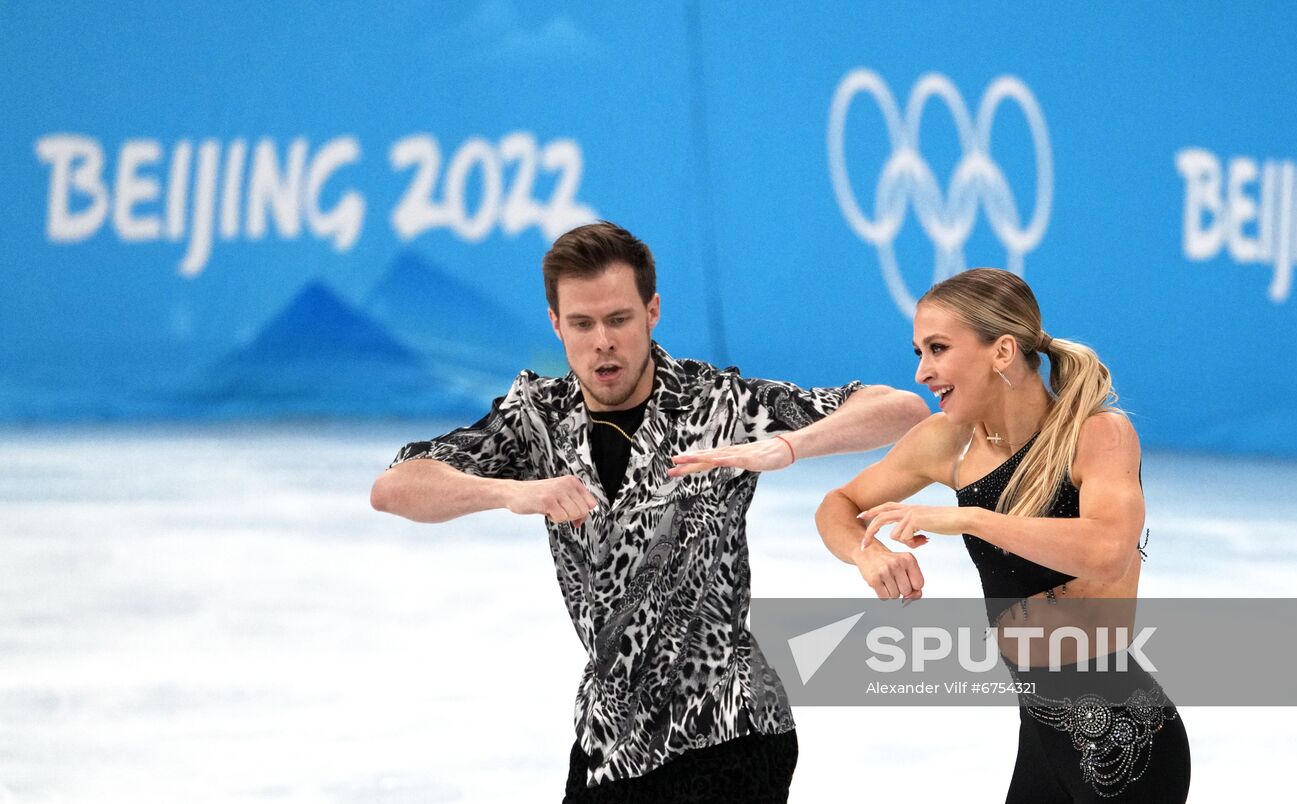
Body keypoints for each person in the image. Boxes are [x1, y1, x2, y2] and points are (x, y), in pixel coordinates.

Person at [370, 221, 930, 802]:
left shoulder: (716, 403)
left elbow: (900, 408)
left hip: (728, 729)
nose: (602, 342)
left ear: (652, 311)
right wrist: (510, 492)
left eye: (619, 320)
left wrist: (788, 445)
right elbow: (394, 487)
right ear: (556, 324)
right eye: (582, 324)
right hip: (609, 739)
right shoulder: (538, 416)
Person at [815, 268, 1190, 802]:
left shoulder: (1098, 435)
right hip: (1041, 736)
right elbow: (838, 504)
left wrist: (972, 518)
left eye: (938, 349)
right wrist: (865, 552)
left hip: (1122, 741)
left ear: (1003, 351)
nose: (923, 371)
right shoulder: (949, 443)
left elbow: (1108, 551)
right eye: (919, 351)